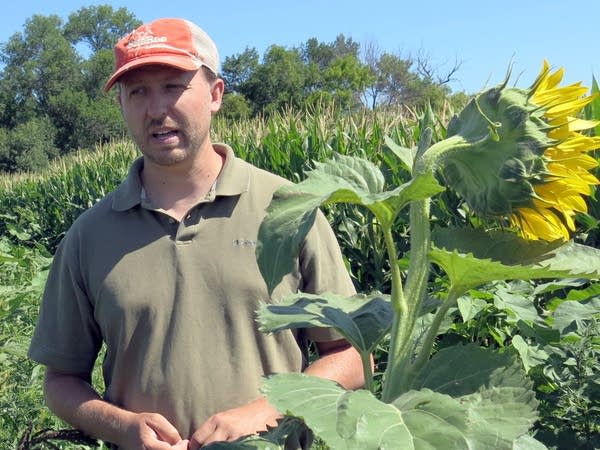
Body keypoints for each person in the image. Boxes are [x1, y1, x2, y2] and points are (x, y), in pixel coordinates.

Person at [27, 17, 365, 450]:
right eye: (138, 92)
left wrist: (266, 410)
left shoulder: (287, 209)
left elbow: (353, 355)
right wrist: (120, 426)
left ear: (215, 94)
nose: (155, 109)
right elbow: (60, 380)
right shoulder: (90, 235)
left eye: (173, 87)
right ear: (123, 107)